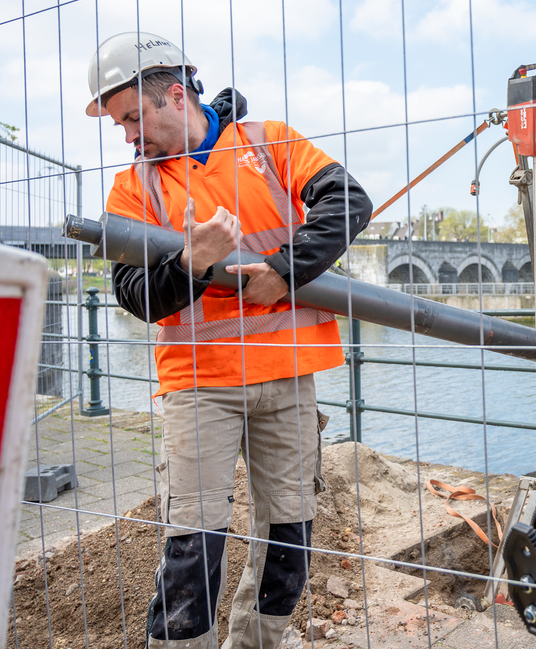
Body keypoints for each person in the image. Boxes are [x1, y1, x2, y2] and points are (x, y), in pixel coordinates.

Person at [86, 32, 372, 649]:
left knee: (290, 531)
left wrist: (284, 270)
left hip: (288, 374)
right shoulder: (134, 188)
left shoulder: (269, 142)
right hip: (200, 383)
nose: (129, 136)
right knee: (193, 539)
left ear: (171, 95)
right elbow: (135, 296)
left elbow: (348, 200)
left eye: (134, 117)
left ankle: (258, 641)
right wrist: (190, 263)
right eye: (120, 125)